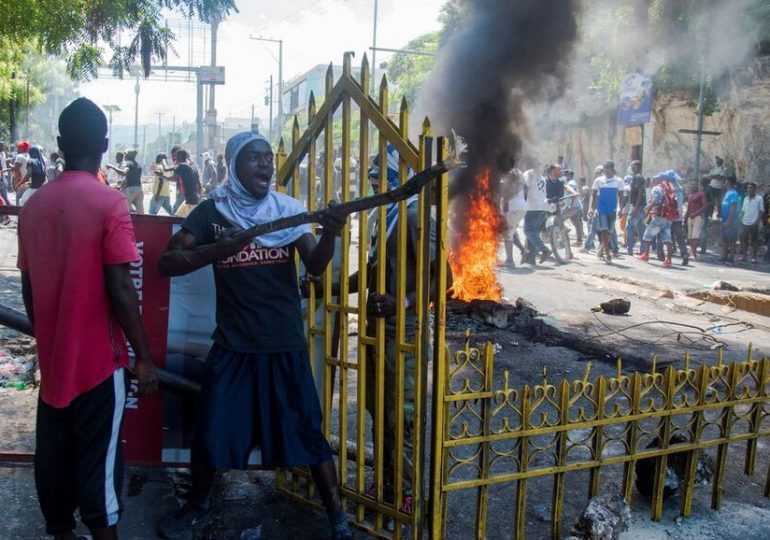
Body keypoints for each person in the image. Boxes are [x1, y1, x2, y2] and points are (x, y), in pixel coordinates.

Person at [156, 131, 353, 540]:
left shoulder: (287, 210)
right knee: (211, 429)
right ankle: (197, 506)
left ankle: (338, 520)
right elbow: (168, 262)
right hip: (233, 344)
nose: (266, 165)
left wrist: (331, 232)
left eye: (269, 158)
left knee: (307, 430)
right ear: (232, 165)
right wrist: (217, 250)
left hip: (284, 343)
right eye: (254, 158)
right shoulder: (213, 213)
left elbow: (315, 265)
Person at [17, 97, 158, 540]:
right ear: (104, 143)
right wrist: (145, 357)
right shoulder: (109, 202)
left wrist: (48, 339)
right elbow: (120, 287)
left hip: (56, 367)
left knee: (55, 477)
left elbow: (28, 287)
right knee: (101, 489)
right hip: (100, 368)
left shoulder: (32, 205)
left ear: (59, 144)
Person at [332, 146, 450, 516]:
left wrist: (403, 303)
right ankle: (386, 483)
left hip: (405, 333)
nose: (371, 174)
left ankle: (407, 490)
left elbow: (445, 280)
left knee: (403, 415)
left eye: (379, 169)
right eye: (371, 168)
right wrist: (328, 289)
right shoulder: (383, 217)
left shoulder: (415, 215)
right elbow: (370, 273)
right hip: (374, 331)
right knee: (377, 409)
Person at [638, 172, 678, 267]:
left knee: (647, 235)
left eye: (656, 179)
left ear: (660, 179)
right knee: (667, 238)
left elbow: (656, 201)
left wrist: (648, 207)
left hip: (659, 216)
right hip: (668, 217)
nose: (654, 180)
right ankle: (668, 259)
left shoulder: (657, 188)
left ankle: (645, 254)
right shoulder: (670, 189)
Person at [589, 160, 622, 264]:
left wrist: (621, 209)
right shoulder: (599, 180)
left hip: (612, 210)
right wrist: (591, 208)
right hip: (601, 209)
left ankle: (602, 248)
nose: (606, 171)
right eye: (605, 169)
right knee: (604, 230)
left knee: (609, 233)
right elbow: (594, 195)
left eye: (608, 168)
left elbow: (621, 196)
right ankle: (608, 254)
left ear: (613, 169)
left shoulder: (618, 181)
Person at [523, 165, 552, 264]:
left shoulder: (529, 174)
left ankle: (544, 250)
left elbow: (525, 188)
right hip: (543, 207)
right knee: (534, 233)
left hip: (533, 207)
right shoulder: (542, 178)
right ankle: (531, 258)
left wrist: (522, 202)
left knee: (528, 232)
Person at [500, 168, 528, 267]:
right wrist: (523, 201)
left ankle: (510, 261)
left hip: (512, 208)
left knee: (507, 233)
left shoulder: (507, 173)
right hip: (522, 207)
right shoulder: (519, 171)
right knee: (512, 232)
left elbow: (506, 196)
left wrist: (505, 213)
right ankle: (524, 251)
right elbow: (526, 188)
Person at [738, 181, 764, 263]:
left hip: (754, 222)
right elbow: (743, 210)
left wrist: (757, 221)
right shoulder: (745, 199)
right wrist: (740, 218)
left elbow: (761, 211)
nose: (749, 189)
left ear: (755, 189)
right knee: (744, 239)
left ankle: (754, 257)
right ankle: (744, 255)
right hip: (745, 221)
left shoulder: (759, 199)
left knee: (754, 240)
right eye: (748, 188)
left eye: (751, 188)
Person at [625, 160, 646, 255]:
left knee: (630, 227)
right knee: (641, 228)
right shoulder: (638, 177)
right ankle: (643, 249)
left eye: (633, 167)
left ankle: (629, 249)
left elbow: (640, 193)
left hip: (637, 207)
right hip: (641, 207)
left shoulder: (638, 177)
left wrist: (635, 208)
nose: (632, 168)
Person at [684, 179, 707, 260]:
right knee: (690, 236)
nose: (694, 186)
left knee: (695, 235)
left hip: (698, 217)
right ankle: (691, 251)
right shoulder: (690, 195)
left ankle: (693, 252)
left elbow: (705, 206)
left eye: (695, 184)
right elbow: (688, 208)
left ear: (698, 185)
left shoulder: (701, 194)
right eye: (692, 184)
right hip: (690, 217)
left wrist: (695, 213)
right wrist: (685, 219)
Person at [720, 177, 740, 264]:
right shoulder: (727, 192)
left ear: (730, 182)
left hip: (731, 219)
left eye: (726, 181)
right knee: (725, 239)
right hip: (724, 218)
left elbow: (733, 207)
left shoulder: (733, 193)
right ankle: (724, 256)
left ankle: (731, 257)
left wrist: (730, 220)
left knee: (731, 239)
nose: (724, 183)